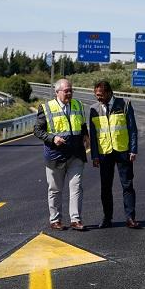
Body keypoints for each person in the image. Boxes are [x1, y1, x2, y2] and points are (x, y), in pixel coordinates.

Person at [34, 78, 90, 231]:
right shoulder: (46, 108)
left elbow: (82, 124)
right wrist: (53, 138)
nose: (70, 93)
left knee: (76, 187)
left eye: (71, 90)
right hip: (55, 156)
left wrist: (85, 135)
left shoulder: (78, 105)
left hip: (76, 155)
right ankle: (55, 220)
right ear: (57, 92)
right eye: (66, 91)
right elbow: (38, 131)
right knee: (55, 190)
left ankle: (76, 220)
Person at [89, 80, 141, 229]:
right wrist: (94, 156)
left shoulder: (124, 104)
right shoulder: (94, 109)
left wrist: (133, 149)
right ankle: (107, 218)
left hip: (123, 151)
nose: (98, 98)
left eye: (100, 95)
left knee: (127, 185)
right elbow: (93, 135)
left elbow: (132, 129)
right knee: (105, 187)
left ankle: (130, 217)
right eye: (96, 95)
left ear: (109, 93)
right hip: (104, 153)